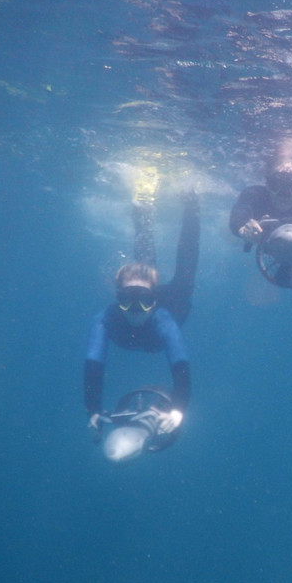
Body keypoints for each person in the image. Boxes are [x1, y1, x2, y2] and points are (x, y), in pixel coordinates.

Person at [83, 186, 199, 443]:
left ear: (154, 301)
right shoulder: (105, 319)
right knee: (147, 260)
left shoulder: (164, 319)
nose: (135, 310)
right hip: (160, 304)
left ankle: (188, 204)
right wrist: (92, 410)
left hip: (174, 305)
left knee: (185, 266)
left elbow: (181, 369)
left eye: (144, 301)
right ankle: (145, 206)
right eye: (127, 300)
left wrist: (178, 410)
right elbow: (93, 368)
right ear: (117, 299)